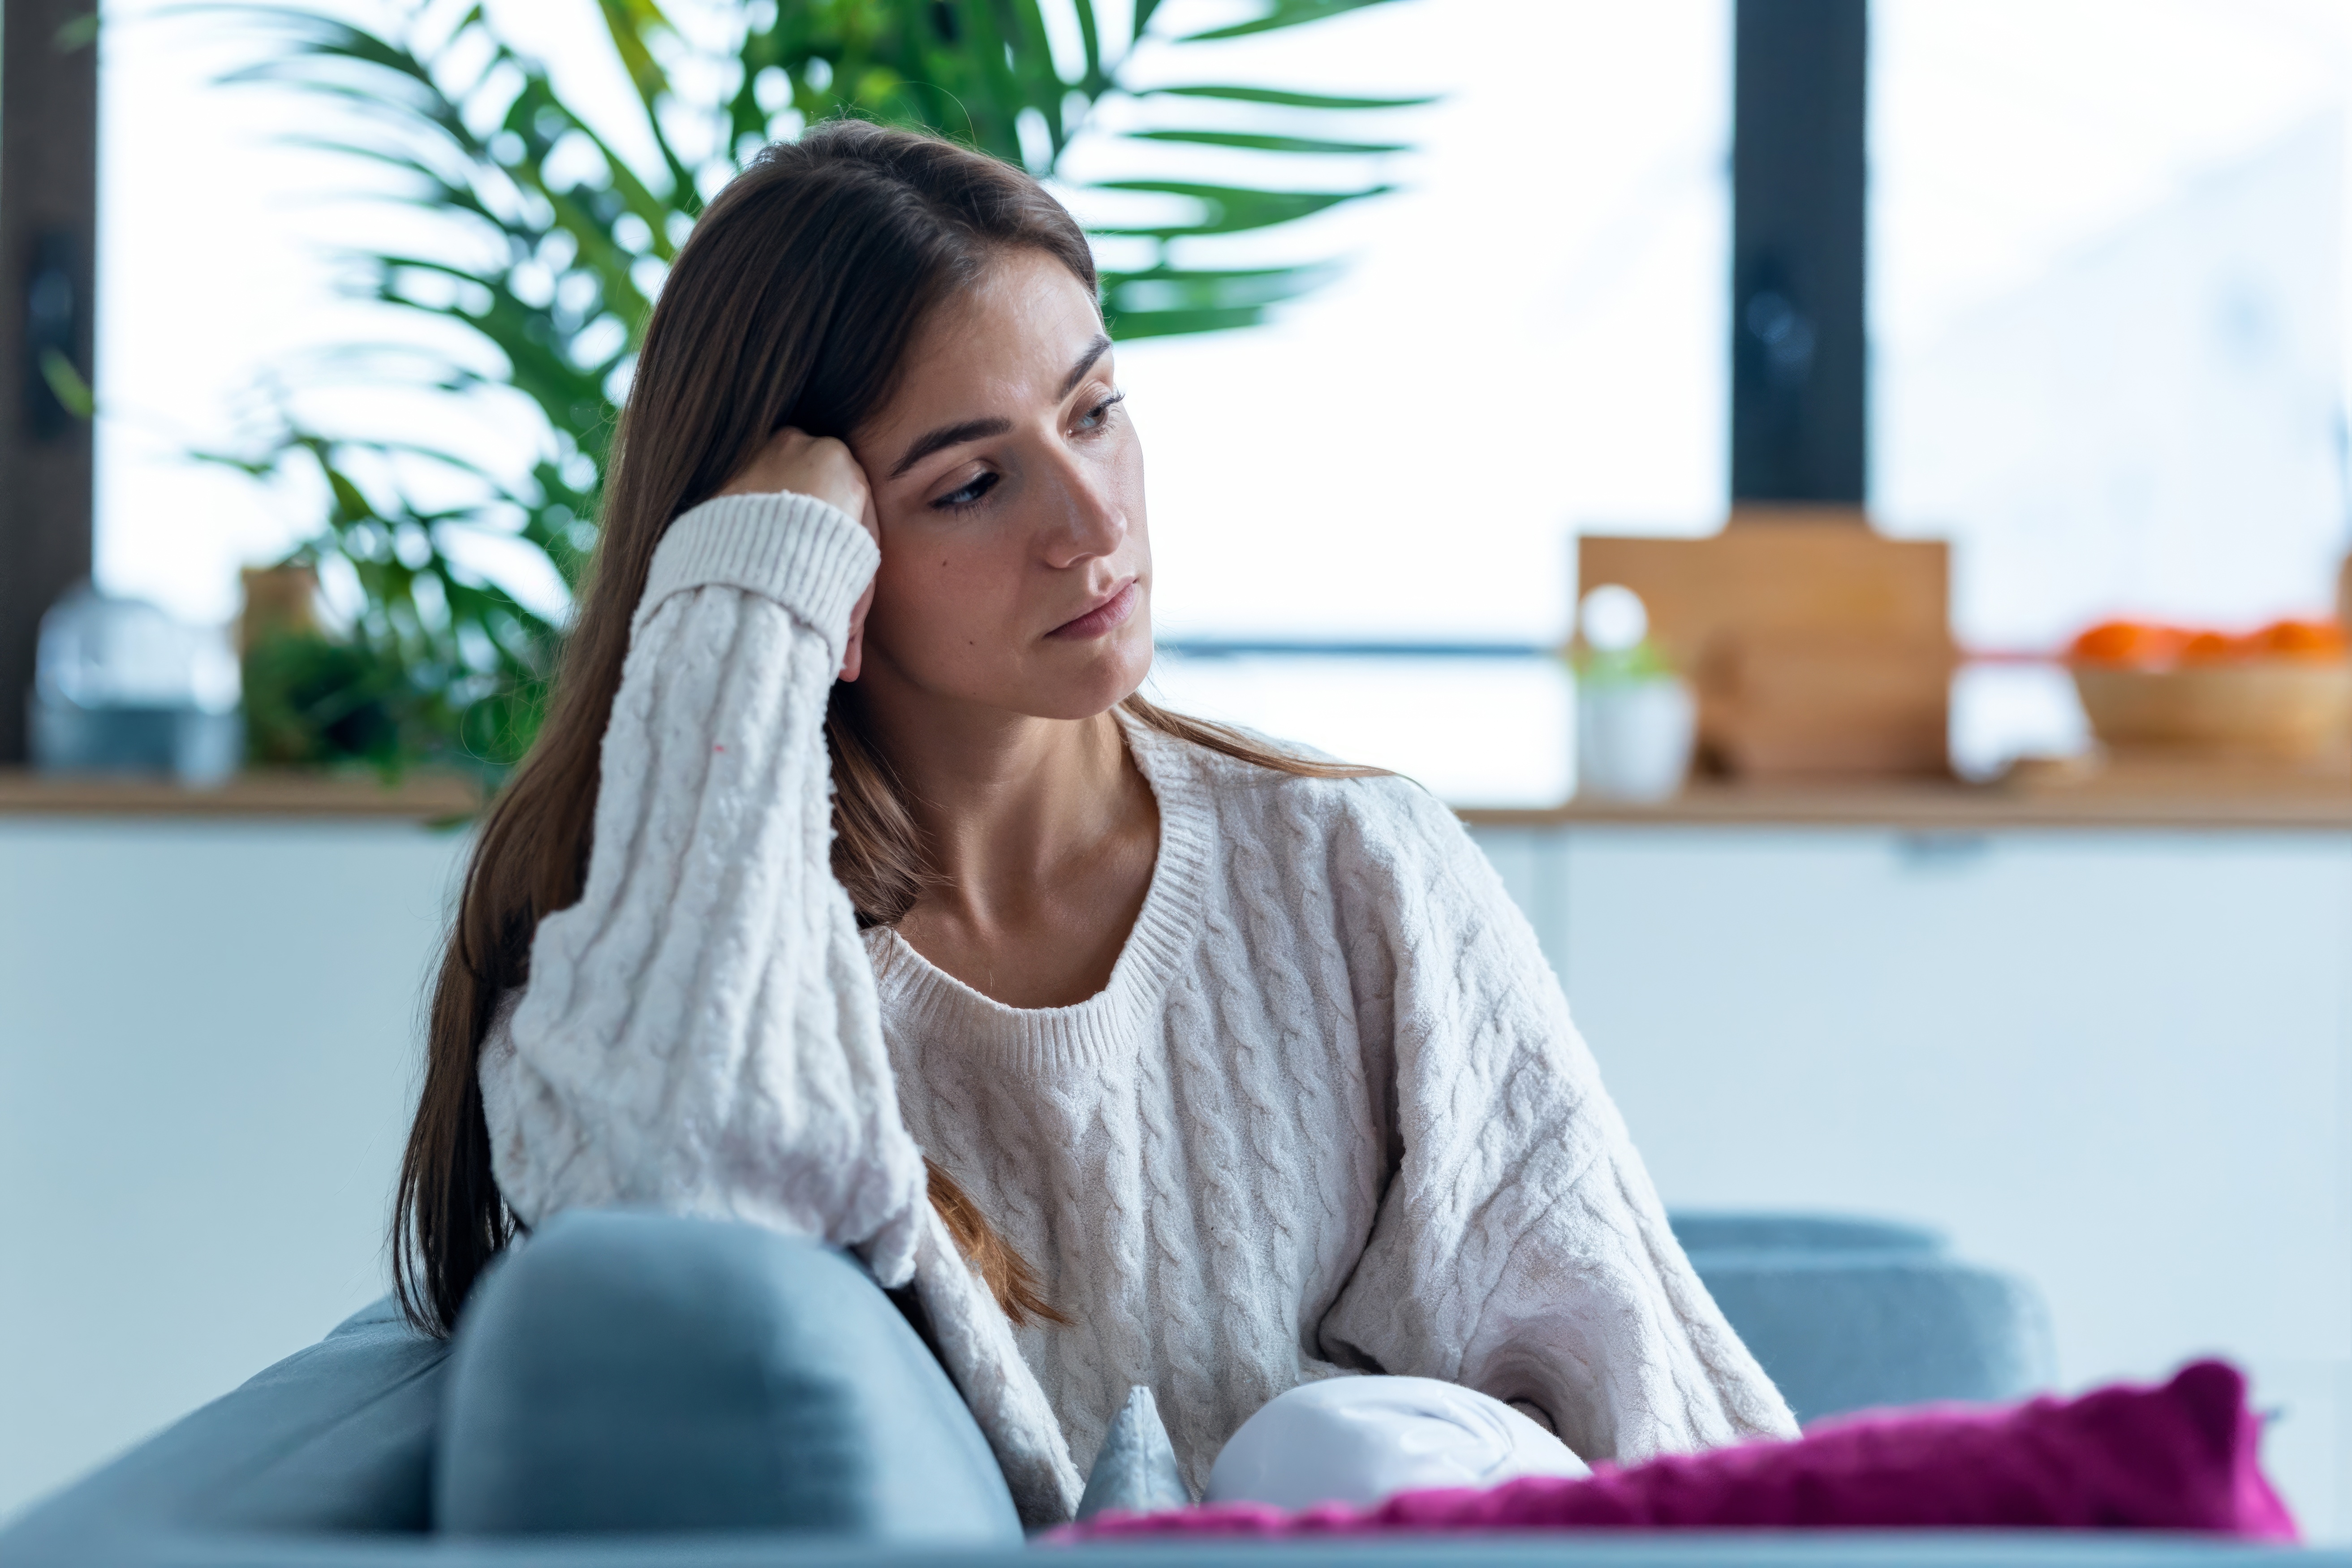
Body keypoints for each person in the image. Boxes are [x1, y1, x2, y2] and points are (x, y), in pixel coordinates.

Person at [396, 119, 1796, 1528]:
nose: (1088, 523)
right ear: (820, 553)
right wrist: (742, 599)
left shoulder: (1356, 869)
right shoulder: (678, 971)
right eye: (971, 483)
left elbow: (1659, 1404)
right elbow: (673, 1225)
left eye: (1094, 410)